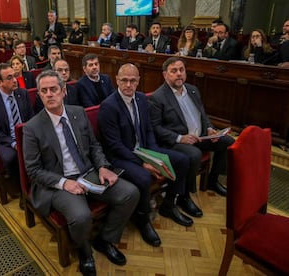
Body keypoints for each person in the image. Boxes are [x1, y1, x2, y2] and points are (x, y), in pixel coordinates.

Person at [23, 70, 140, 275]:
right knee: (81, 216)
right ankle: (85, 251)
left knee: (130, 193)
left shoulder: (78, 112)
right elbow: (33, 170)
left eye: (53, 89)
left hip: (88, 173)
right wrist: (63, 183)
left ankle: (104, 240)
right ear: (39, 95)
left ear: (63, 91)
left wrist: (103, 166)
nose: (49, 94)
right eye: (44, 91)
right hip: (59, 182)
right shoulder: (32, 127)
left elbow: (94, 146)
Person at [99, 63, 200, 246]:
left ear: (138, 81)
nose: (128, 85)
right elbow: (115, 145)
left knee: (183, 160)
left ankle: (169, 204)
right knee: (145, 177)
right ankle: (143, 218)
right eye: (124, 80)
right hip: (121, 156)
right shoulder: (109, 106)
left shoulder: (141, 99)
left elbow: (148, 130)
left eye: (132, 81)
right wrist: (143, 162)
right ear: (117, 80)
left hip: (144, 150)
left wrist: (154, 155)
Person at [149, 57, 235, 197]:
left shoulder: (192, 89)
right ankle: (185, 194)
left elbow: (202, 114)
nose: (179, 74)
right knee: (195, 154)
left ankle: (212, 180)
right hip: (177, 141)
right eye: (174, 71)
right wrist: (180, 138)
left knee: (227, 142)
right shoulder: (158, 97)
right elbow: (156, 128)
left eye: (181, 70)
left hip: (201, 136)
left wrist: (209, 128)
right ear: (165, 75)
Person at [0, 63, 34, 181]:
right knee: (10, 157)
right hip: (4, 140)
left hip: (26, 136)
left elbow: (31, 118)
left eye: (14, 76)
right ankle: (20, 186)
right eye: (9, 78)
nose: (15, 80)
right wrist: (13, 143)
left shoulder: (23, 93)